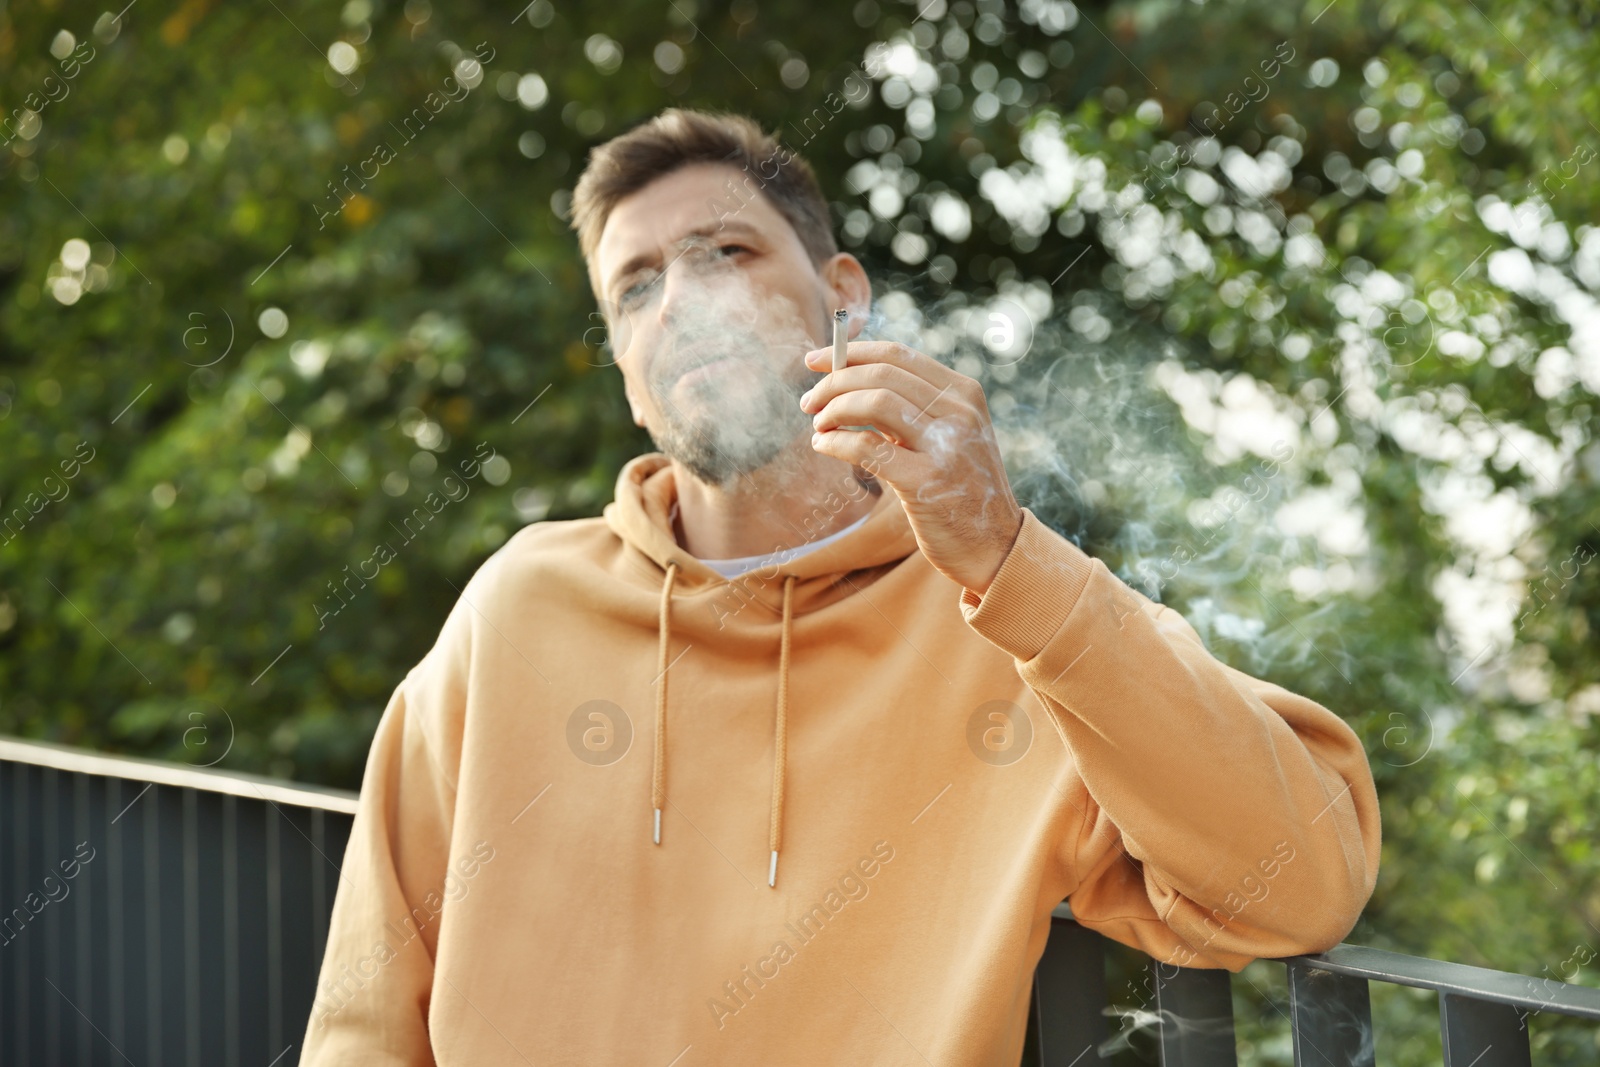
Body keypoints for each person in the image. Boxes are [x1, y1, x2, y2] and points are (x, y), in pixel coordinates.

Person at [299, 107, 1380, 1066]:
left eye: (723, 249)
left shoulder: (1012, 613)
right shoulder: (517, 606)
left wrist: (1006, 556)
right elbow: (366, 1011)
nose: (679, 301)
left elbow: (1300, 882)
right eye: (634, 287)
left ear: (842, 297)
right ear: (627, 375)